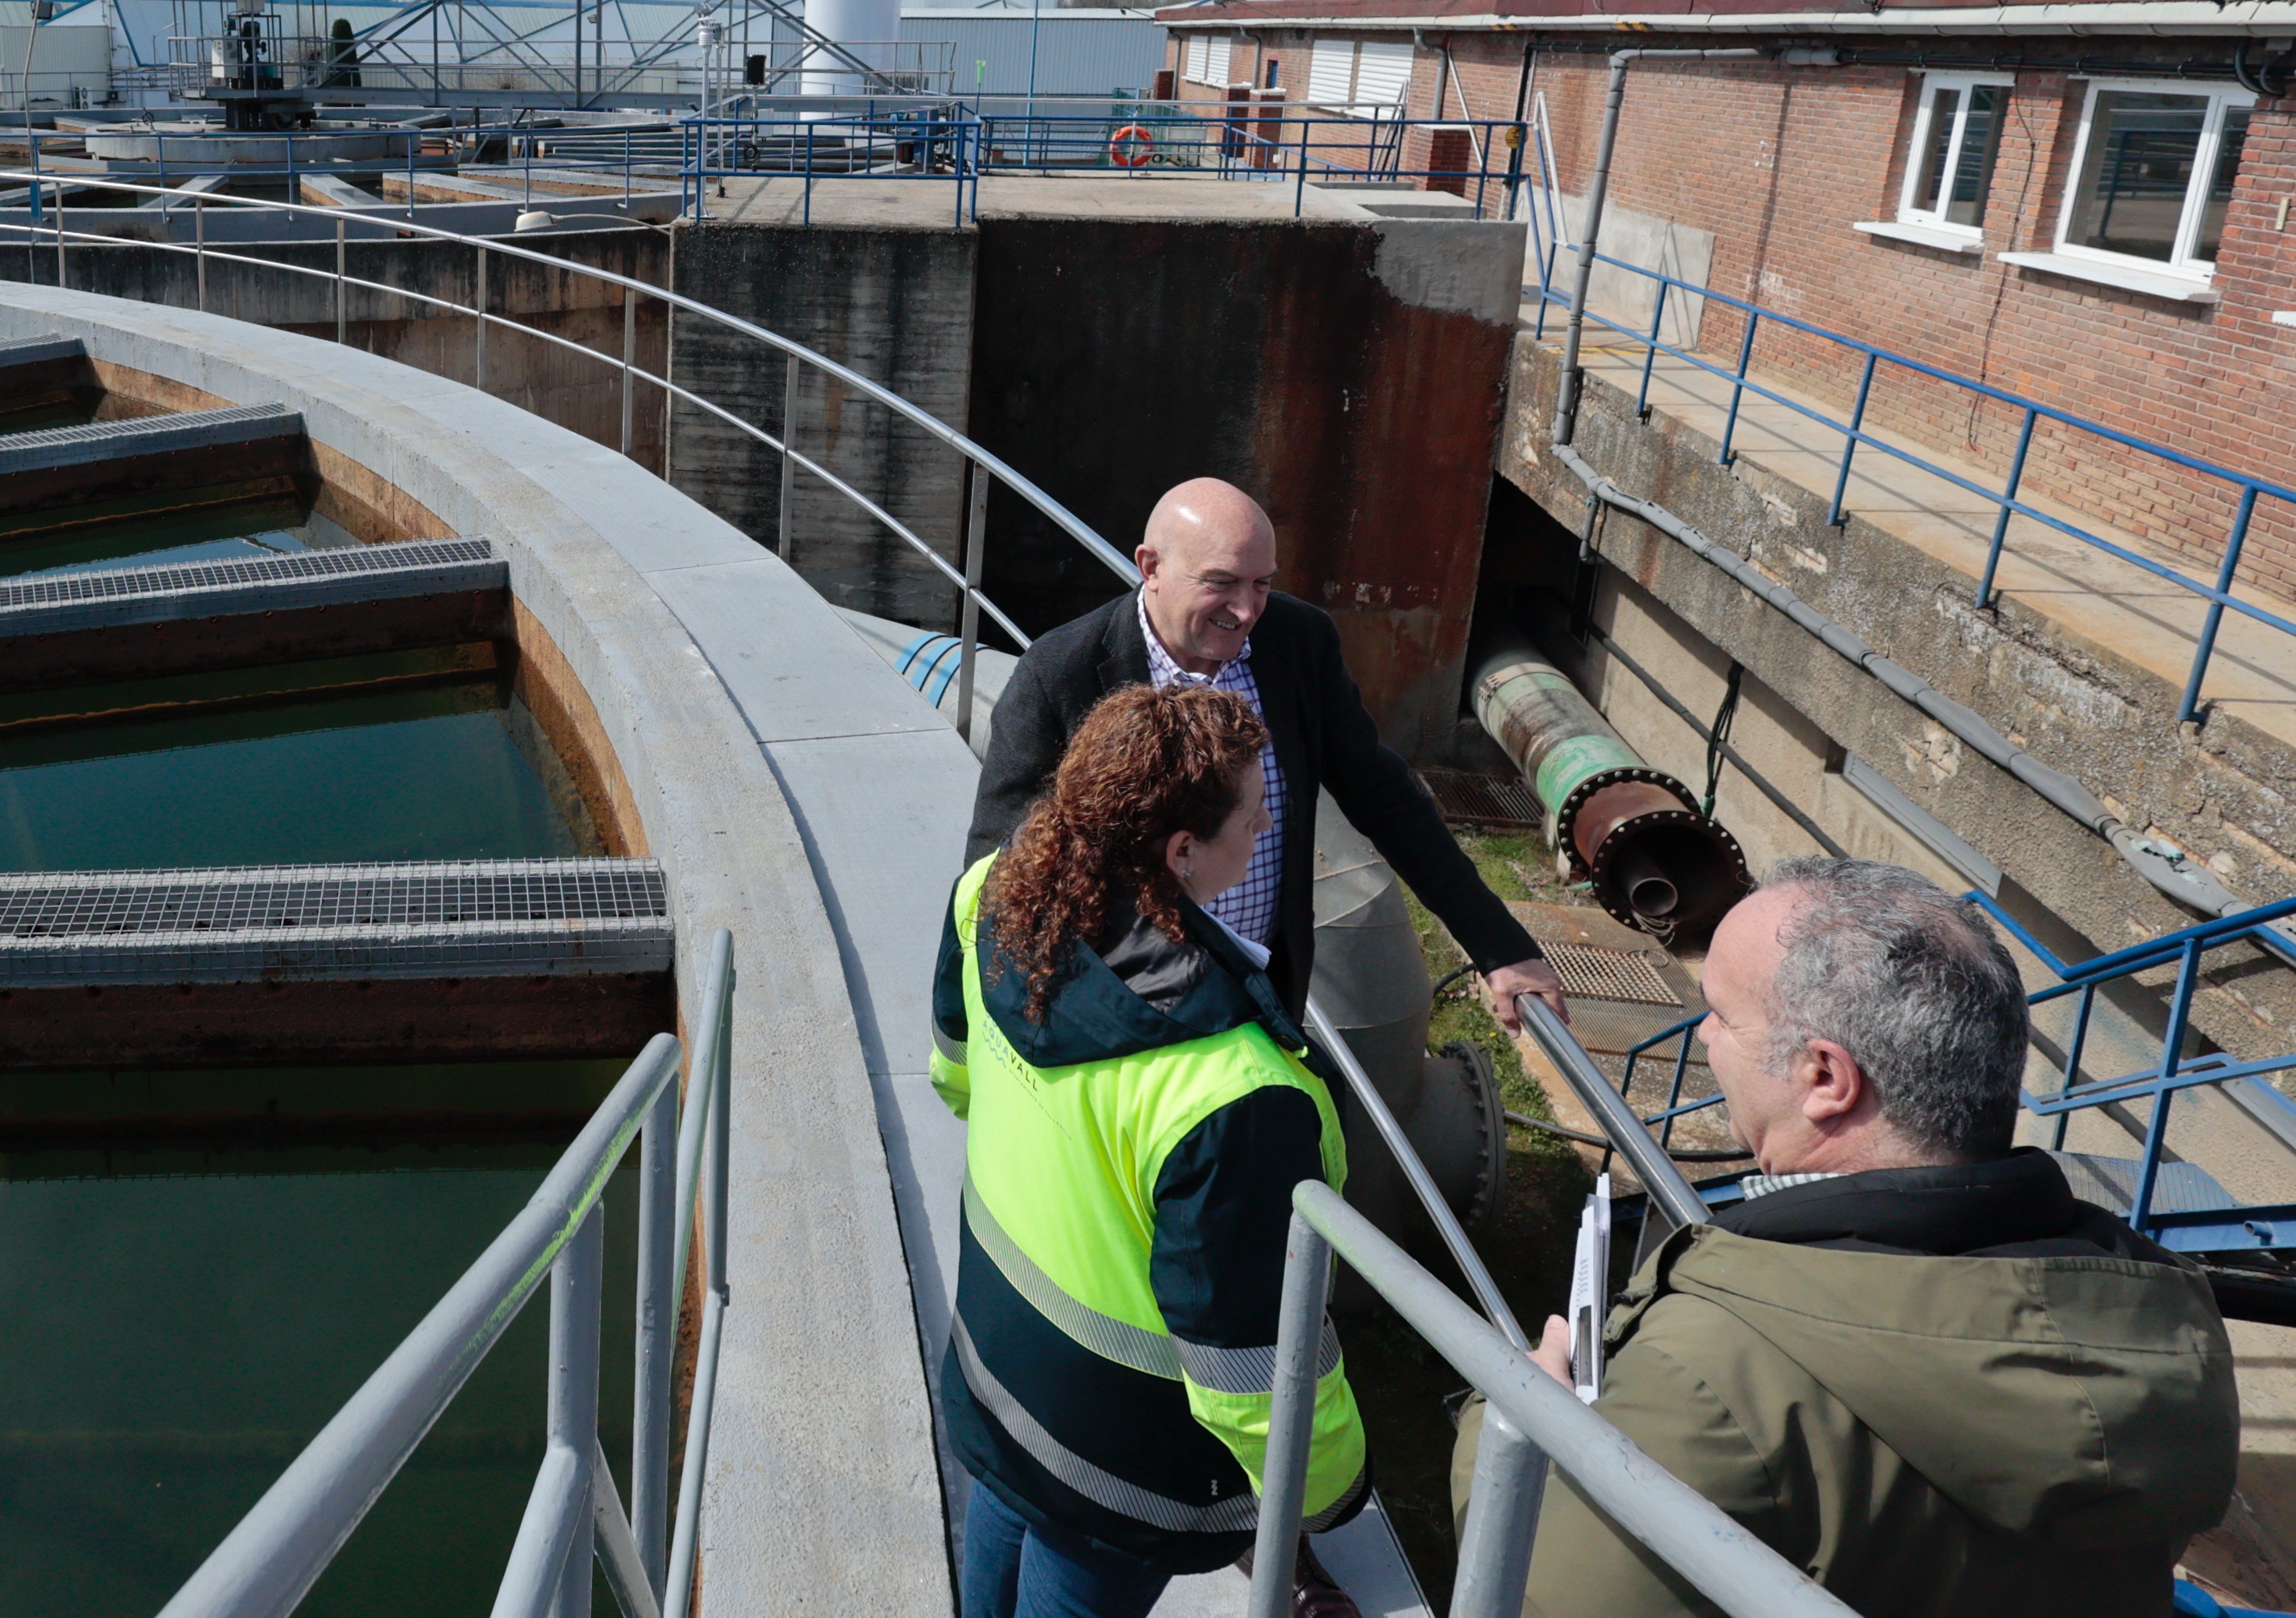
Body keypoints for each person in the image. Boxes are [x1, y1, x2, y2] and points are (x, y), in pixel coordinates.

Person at [1466, 856, 2239, 1617]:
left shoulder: (1712, 1374)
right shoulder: (2169, 1326)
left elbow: (1534, 1594)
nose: (1702, 1035)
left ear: (1825, 1079)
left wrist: (1511, 1423)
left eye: (1722, 1014)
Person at [934, 684, 1430, 1618]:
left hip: (998, 1370)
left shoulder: (991, 897)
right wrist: (1329, 1492)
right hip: (1119, 1465)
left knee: (994, 1553)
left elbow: (955, 1072)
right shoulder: (1234, 1095)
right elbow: (1251, 1368)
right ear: (1181, 852)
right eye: (1251, 811)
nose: (1267, 825)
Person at [966, 477, 1563, 1033]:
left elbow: (1384, 797)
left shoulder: (1297, 642)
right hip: (1123, 1002)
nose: (1247, 611)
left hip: (1260, 990)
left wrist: (1499, 947)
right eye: (1221, 582)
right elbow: (1001, 857)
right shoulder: (1061, 672)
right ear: (1150, 567)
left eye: (1262, 584)